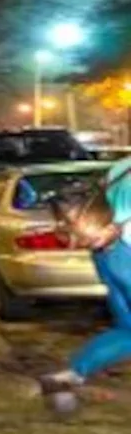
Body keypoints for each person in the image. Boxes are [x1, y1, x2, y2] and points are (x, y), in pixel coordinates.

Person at [40, 154, 131, 413]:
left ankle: (70, 375)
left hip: (105, 253)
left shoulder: (122, 167)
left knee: (128, 328)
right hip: (122, 250)